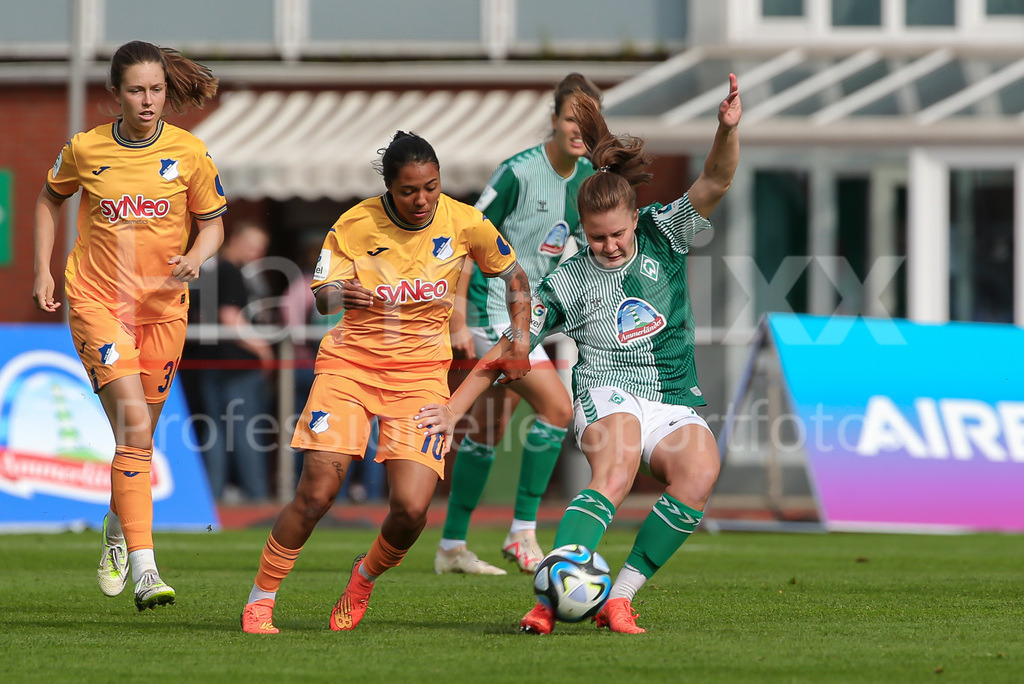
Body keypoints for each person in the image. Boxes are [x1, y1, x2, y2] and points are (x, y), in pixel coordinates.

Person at [417, 74, 741, 634]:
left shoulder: (666, 232)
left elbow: (716, 176)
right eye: (596, 237)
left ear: (634, 219)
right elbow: (509, 348)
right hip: (606, 390)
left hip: (671, 396)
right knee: (616, 468)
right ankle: (546, 604)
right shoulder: (566, 280)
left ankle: (619, 598)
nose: (608, 246)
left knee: (700, 472)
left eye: (617, 234)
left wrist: (726, 129)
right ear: (582, 232)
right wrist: (452, 408)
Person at [240, 131, 532, 634]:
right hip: (349, 369)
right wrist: (341, 294)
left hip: (420, 379)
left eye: (431, 187)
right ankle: (260, 600)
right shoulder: (354, 223)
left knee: (412, 509)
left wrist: (520, 338)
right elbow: (322, 296)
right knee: (316, 493)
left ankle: (363, 578)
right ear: (389, 188)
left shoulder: (466, 222)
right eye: (409, 190)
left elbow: (516, 278)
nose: (422, 200)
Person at [32, 40, 225, 611]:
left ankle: (117, 530)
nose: (147, 101)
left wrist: (198, 255)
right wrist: (43, 270)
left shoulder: (189, 152)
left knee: (136, 439)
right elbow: (48, 199)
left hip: (163, 310)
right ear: (114, 93)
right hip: (98, 303)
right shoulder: (85, 149)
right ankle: (146, 568)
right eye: (136, 90)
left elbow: (214, 223)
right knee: (136, 429)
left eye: (156, 90)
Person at [436, 73, 602, 576]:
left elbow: (584, 251)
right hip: (493, 308)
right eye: (571, 118)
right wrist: (457, 314)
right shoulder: (518, 172)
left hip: (530, 314)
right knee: (557, 408)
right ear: (553, 119)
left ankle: (450, 547)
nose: (578, 129)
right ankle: (522, 531)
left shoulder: (588, 179)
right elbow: (467, 235)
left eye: (588, 120)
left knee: (488, 430)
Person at [198, 220, 274, 502]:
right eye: (253, 247)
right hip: (236, 367)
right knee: (245, 432)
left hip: (212, 364)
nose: (258, 254)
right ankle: (257, 499)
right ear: (235, 241)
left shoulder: (212, 270)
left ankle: (213, 497)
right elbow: (230, 316)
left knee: (216, 432)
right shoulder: (230, 272)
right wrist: (263, 350)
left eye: (261, 248)